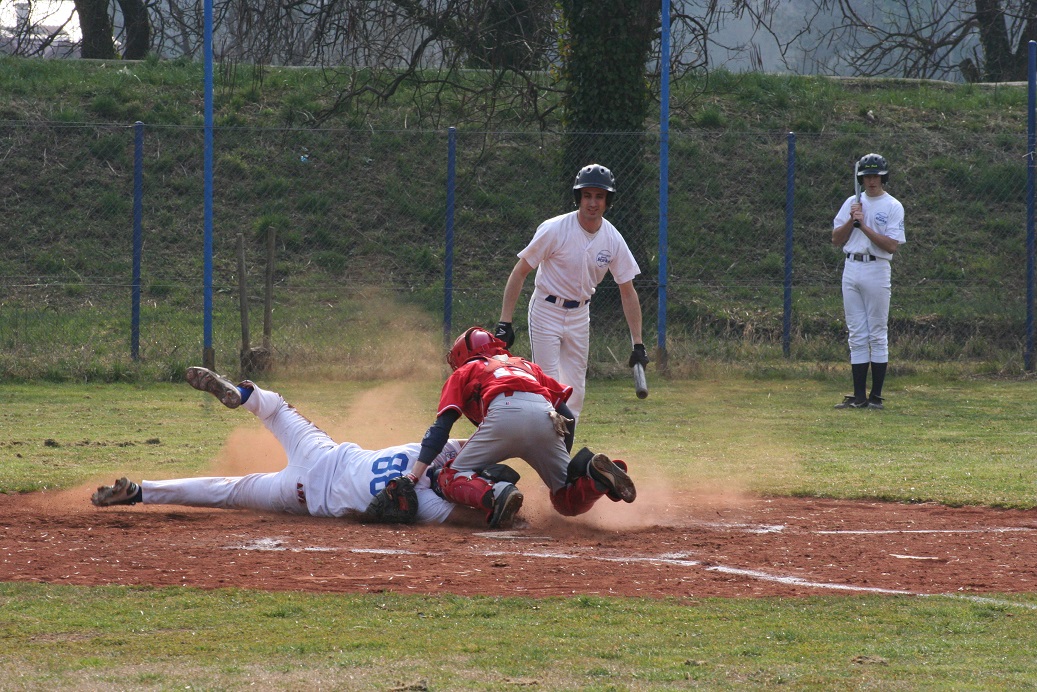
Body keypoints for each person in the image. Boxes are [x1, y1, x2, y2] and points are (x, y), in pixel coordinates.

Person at [91, 367, 505, 526]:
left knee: (275, 409)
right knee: (228, 491)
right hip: (304, 497)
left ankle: (242, 393)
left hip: (323, 453)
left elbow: (474, 443)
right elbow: (471, 518)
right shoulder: (433, 505)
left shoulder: (434, 451)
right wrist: (502, 512)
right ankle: (141, 493)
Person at [392, 326, 636, 529]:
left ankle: (497, 494)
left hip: (503, 412)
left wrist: (415, 474)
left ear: (462, 355)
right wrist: (564, 467)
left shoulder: (467, 369)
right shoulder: (526, 366)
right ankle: (594, 477)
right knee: (565, 500)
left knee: (449, 476)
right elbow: (566, 415)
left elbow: (440, 429)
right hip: (546, 416)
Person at [495, 163, 648, 420]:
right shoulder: (555, 229)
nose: (592, 202)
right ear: (578, 197)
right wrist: (505, 322)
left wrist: (638, 343)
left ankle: (563, 453)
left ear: (608, 200)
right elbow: (519, 272)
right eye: (587, 195)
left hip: (580, 315)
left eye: (599, 196)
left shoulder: (612, 238)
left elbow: (628, 291)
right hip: (546, 309)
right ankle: (547, 452)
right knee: (548, 386)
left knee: (575, 392)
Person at [831, 153, 907, 410]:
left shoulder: (892, 206)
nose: (871, 181)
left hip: (877, 268)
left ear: (883, 177)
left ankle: (876, 396)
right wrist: (852, 222)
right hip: (851, 266)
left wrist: (863, 226)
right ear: (860, 179)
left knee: (877, 332)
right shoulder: (852, 202)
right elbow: (836, 238)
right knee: (856, 333)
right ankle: (858, 396)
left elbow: (891, 245)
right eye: (866, 177)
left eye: (876, 176)